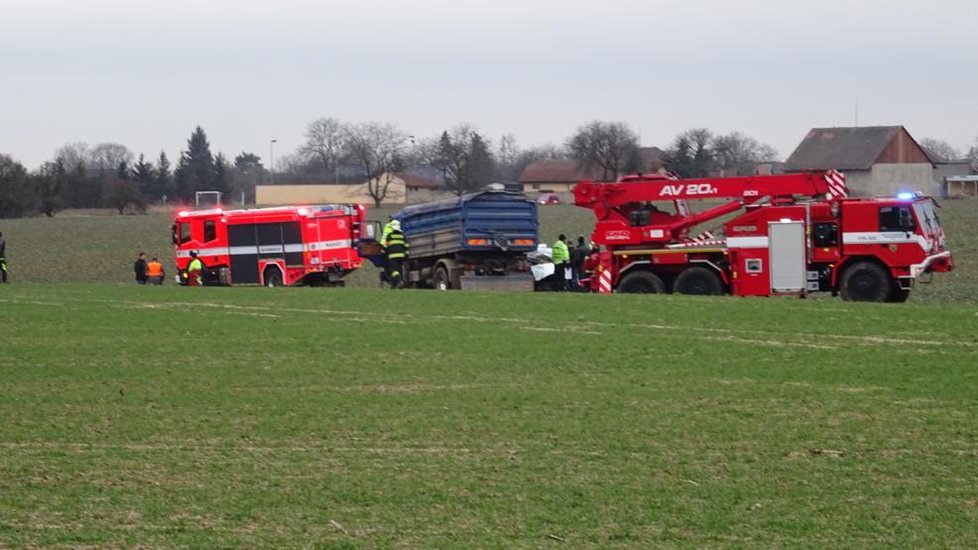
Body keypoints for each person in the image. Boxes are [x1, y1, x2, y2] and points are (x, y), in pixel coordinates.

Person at [382, 219, 409, 289]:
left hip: (392, 256)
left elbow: (385, 246)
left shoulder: (389, 236)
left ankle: (399, 281)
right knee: (399, 269)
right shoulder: (403, 236)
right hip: (401, 256)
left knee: (393, 270)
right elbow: (406, 246)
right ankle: (396, 285)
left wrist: (383, 251)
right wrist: (406, 255)